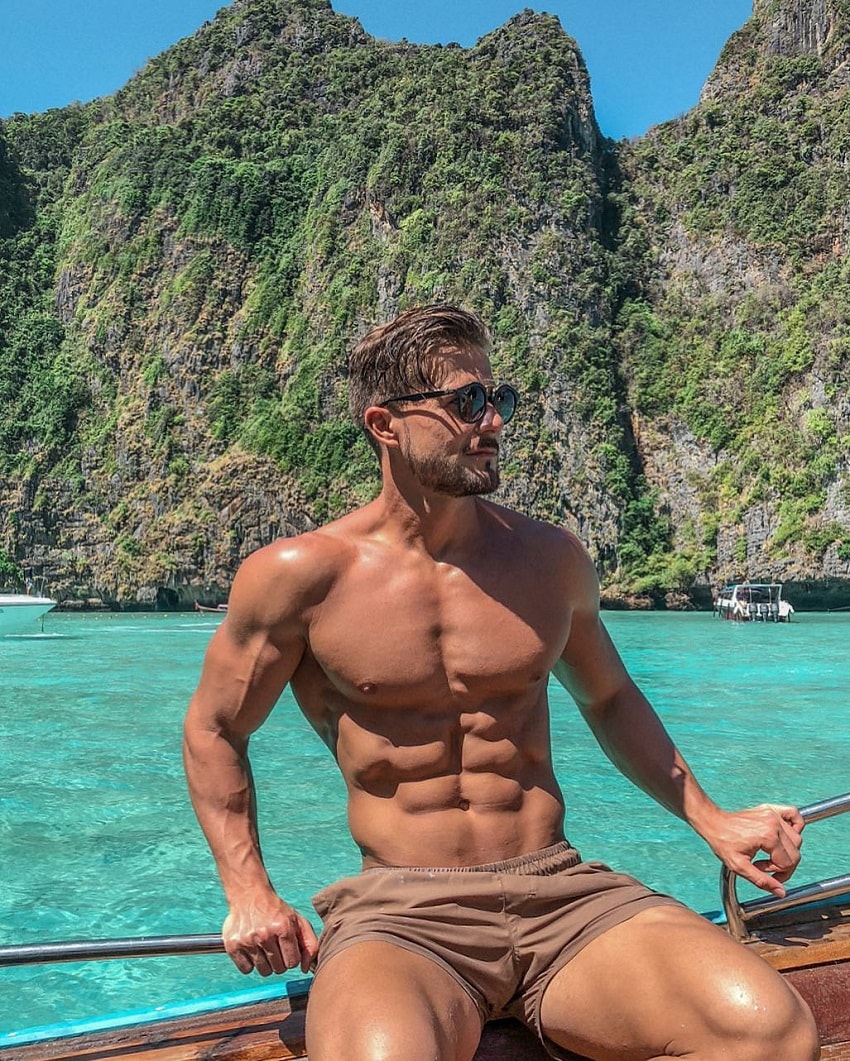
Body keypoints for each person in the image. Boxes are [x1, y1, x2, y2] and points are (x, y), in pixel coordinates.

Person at [183, 305, 819, 1061]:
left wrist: (710, 817)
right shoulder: (302, 578)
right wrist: (248, 889)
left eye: (498, 399)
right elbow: (216, 728)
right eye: (465, 402)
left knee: (771, 1032)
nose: (492, 421)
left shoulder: (547, 561)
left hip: (561, 894)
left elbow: (609, 697)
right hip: (404, 914)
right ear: (385, 424)